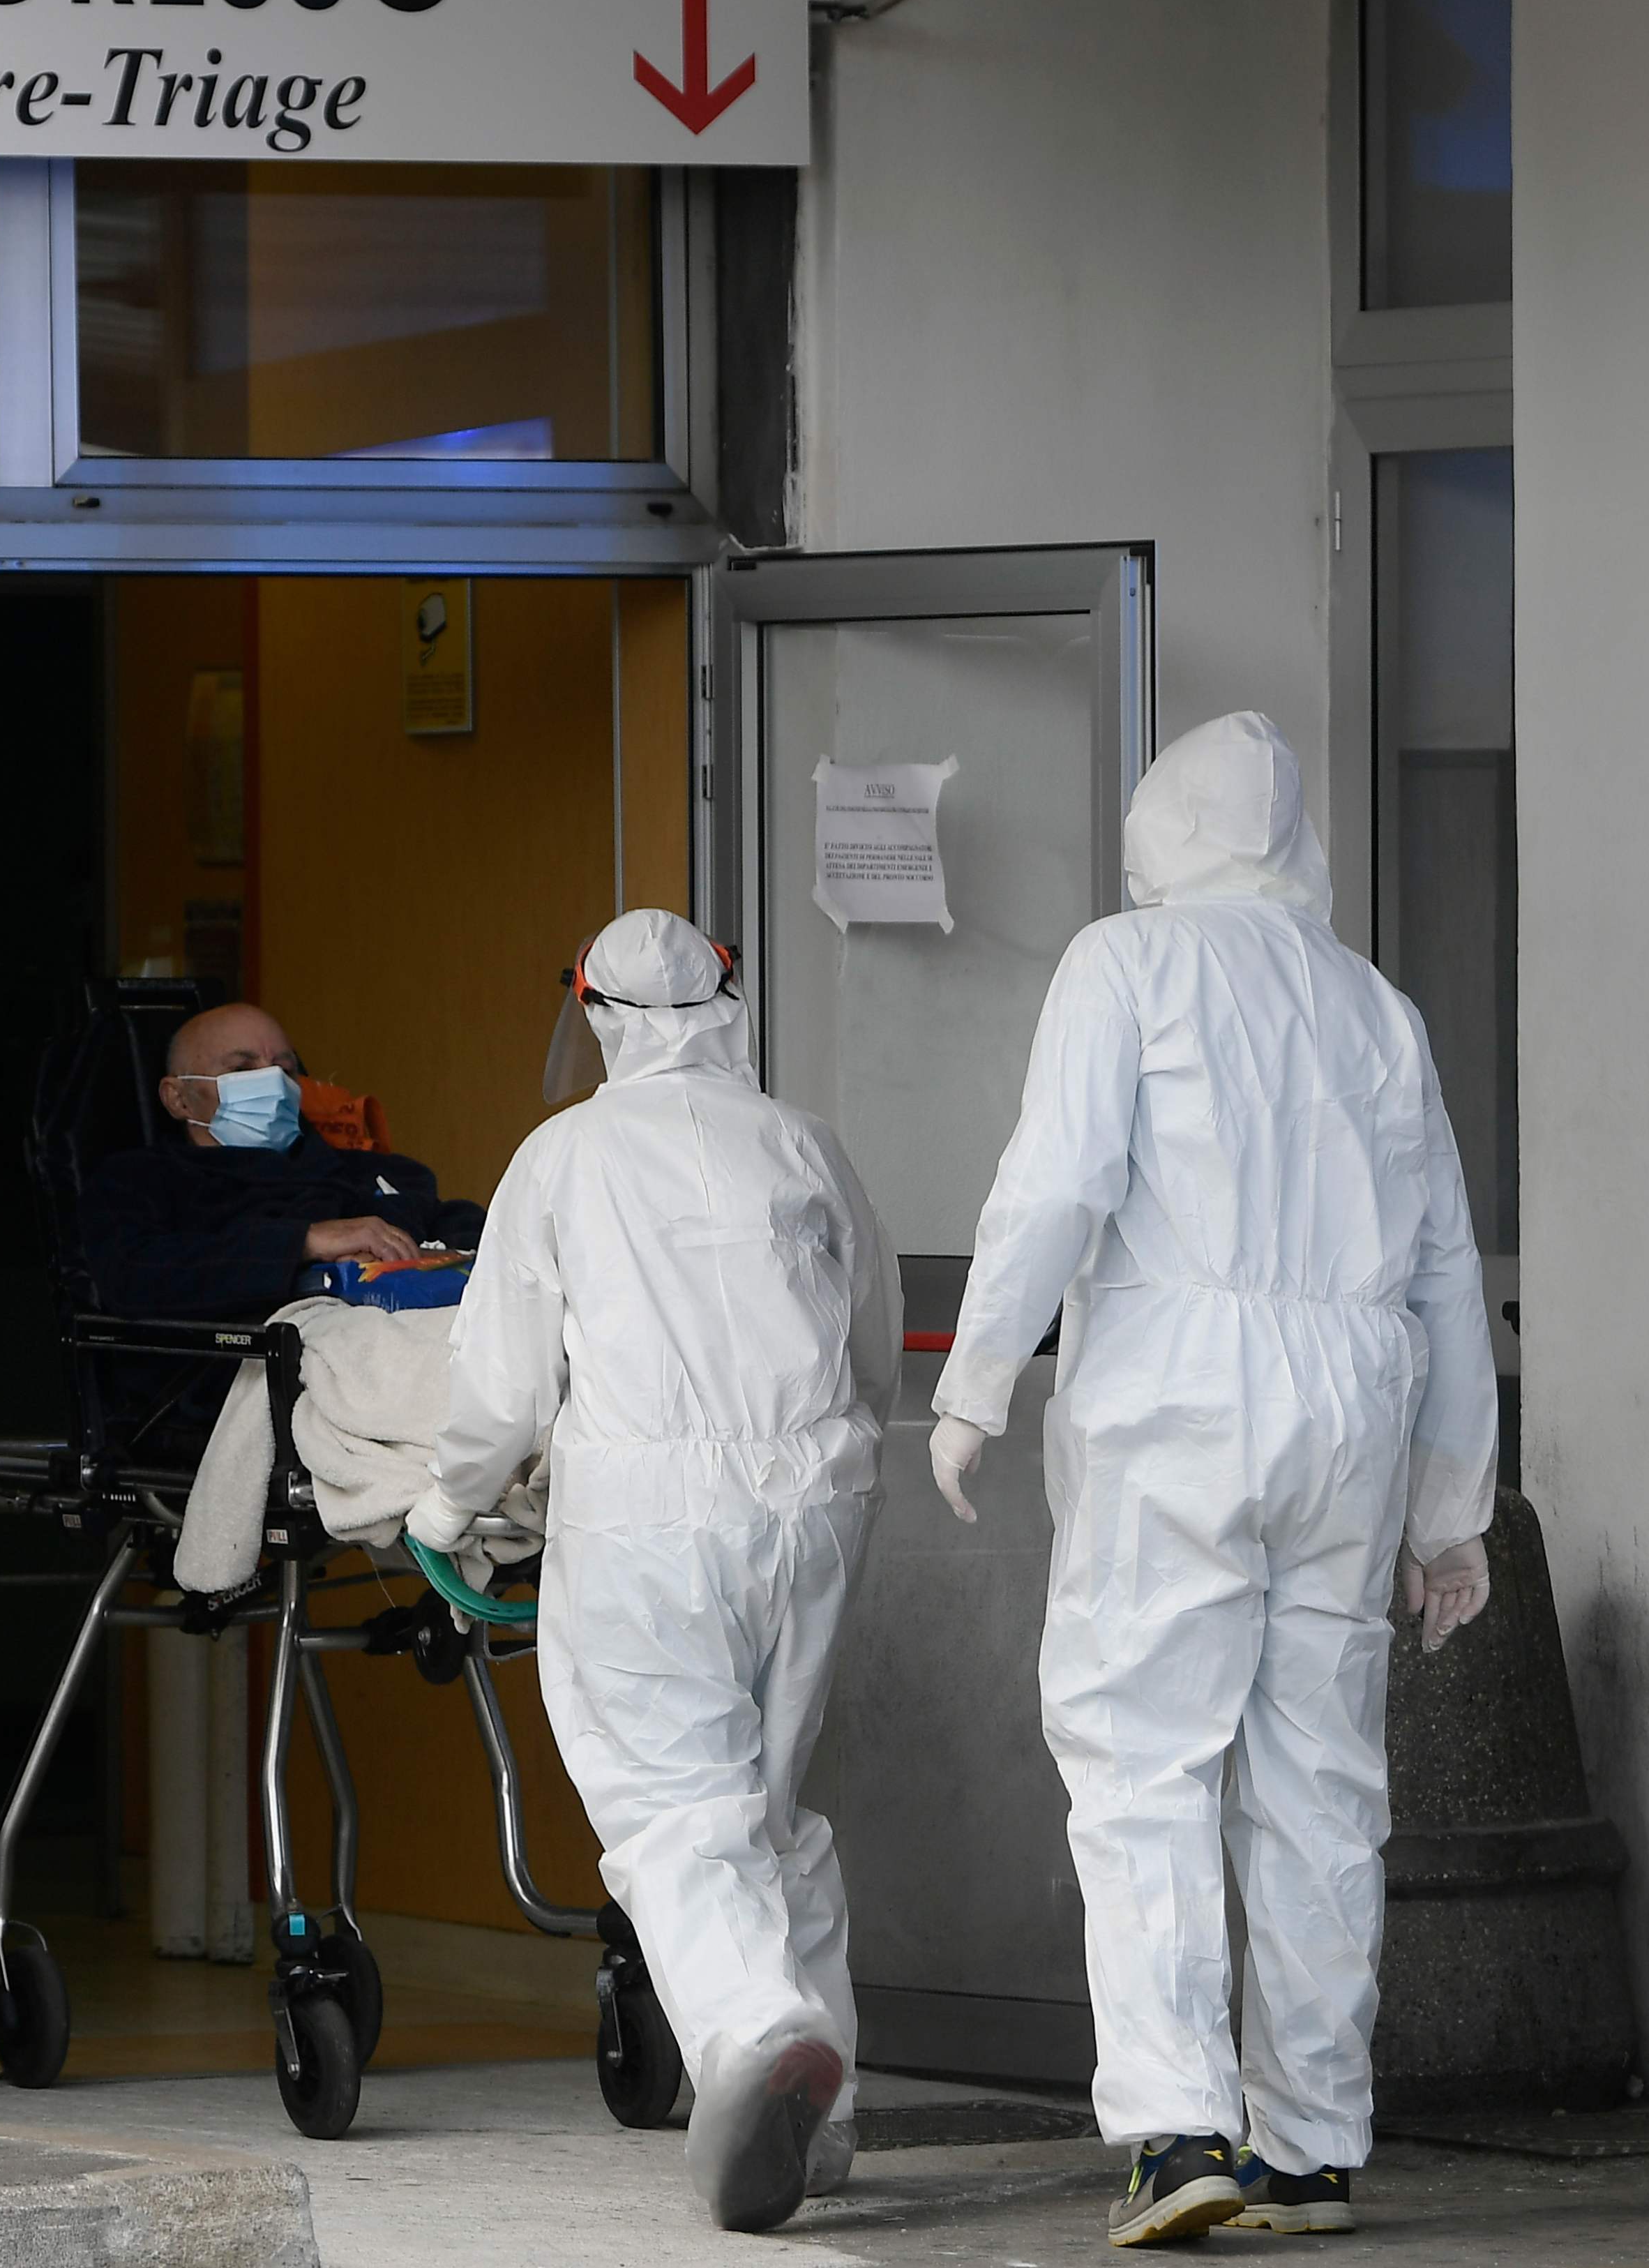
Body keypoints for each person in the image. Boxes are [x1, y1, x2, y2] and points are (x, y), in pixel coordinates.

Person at [928, 712, 1497, 2248]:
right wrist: (1453, 1505)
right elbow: (1446, 1266)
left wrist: (976, 1378)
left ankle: (1177, 2125)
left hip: (1178, 1395)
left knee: (1144, 1759)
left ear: (1159, 835)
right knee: (1322, 1781)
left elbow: (1055, 1181)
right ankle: (1310, 2148)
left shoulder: (1125, 963)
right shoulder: (1379, 1008)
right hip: (1354, 1410)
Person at [404, 909, 898, 2235]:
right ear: (724, 1000)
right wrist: (838, 1452)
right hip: (813, 1501)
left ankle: (758, 2032)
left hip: (646, 1515)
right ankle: (829, 2110)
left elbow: (504, 1378)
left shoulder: (561, 1157)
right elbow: (870, 1337)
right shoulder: (797, 1138)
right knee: (769, 1798)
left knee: (676, 1801)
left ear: (599, 1014)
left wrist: (447, 1501)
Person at [80, 1000, 485, 1321]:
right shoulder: (137, 1181)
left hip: (413, 1328)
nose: (271, 1081)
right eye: (242, 1068)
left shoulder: (364, 1172)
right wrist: (306, 1243)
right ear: (178, 1097)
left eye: (284, 1069)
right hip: (258, 1364)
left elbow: (463, 1226)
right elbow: (134, 1276)